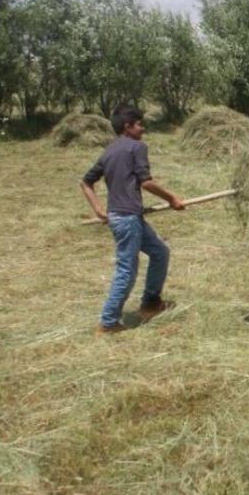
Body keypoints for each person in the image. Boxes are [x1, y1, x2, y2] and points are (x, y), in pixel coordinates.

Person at [81, 104, 185, 334]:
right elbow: (145, 182)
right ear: (127, 127)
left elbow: (86, 182)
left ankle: (150, 303)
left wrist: (99, 209)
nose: (143, 128)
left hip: (127, 217)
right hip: (127, 220)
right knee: (127, 270)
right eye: (139, 124)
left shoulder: (109, 151)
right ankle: (108, 322)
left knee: (160, 252)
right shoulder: (137, 147)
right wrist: (172, 199)